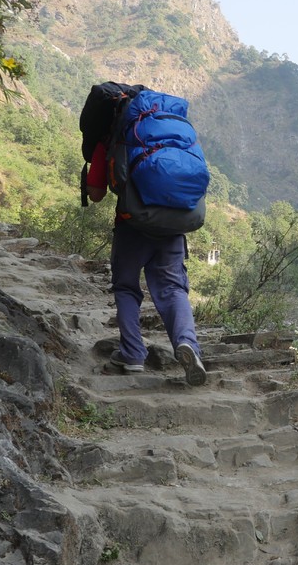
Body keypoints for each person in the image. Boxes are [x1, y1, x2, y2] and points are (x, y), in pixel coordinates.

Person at [85, 139, 207, 385]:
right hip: (173, 227)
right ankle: (187, 343)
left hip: (132, 226)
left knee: (127, 288)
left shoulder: (114, 134)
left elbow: (96, 194)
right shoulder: (180, 136)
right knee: (174, 289)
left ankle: (132, 354)